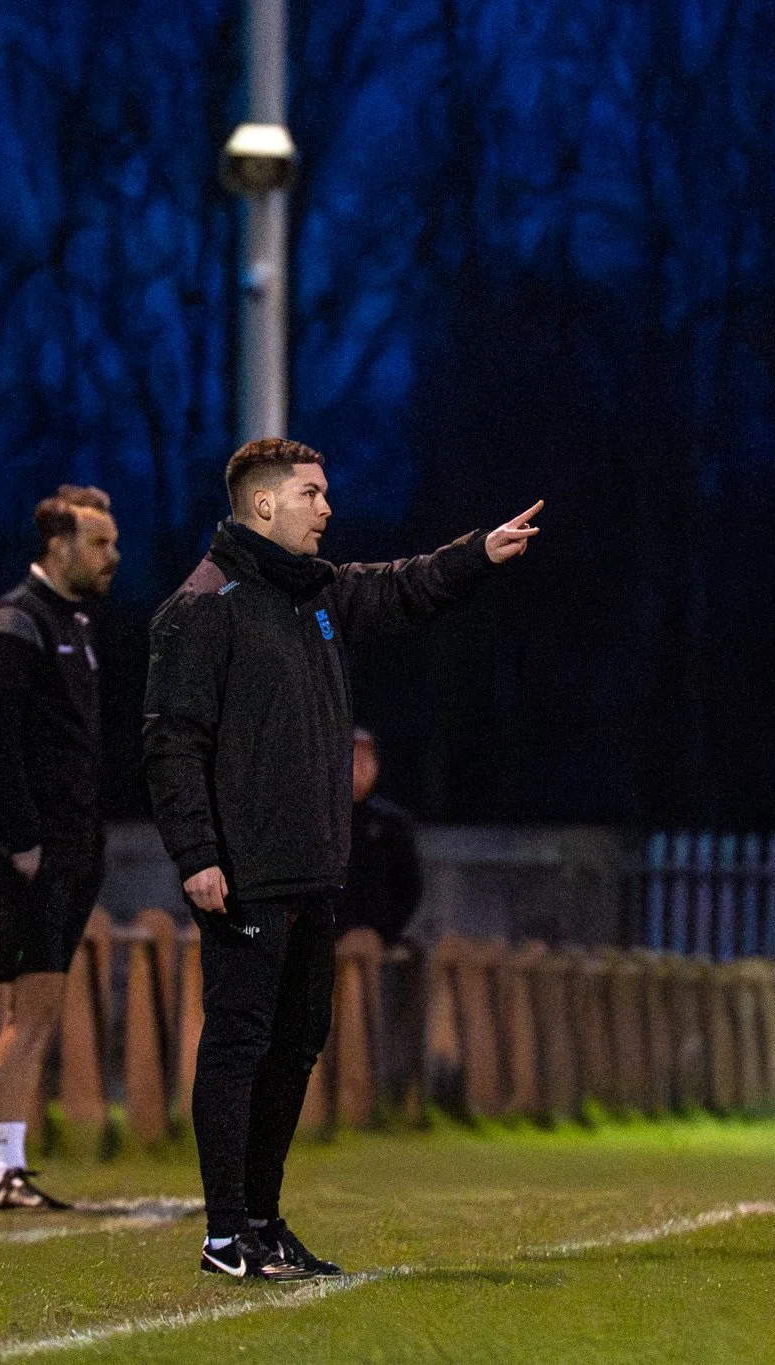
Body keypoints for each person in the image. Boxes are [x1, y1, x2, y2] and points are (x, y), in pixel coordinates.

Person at [144, 437, 540, 1279]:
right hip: (243, 874)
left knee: (295, 1047)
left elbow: (402, 588)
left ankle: (261, 1218)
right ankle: (223, 1237)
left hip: (312, 871)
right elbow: (171, 742)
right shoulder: (205, 604)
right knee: (239, 1043)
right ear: (262, 505)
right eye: (313, 494)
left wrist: (479, 553)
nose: (328, 508)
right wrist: (197, 853)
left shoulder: (315, 594)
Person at [0, 485, 119, 1209]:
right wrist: (22, 839)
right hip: (32, 849)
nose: (111, 555)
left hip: (70, 843)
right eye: (99, 542)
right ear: (58, 546)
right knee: (28, 1013)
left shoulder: (77, 623)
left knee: (41, 1009)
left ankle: (6, 1163)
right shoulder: (13, 623)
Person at [339, 728, 423, 946]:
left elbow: (409, 886)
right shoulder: (322, 821)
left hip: (374, 939)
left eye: (368, 759)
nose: (361, 768)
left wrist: (385, 932)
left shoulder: (391, 823)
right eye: (354, 759)